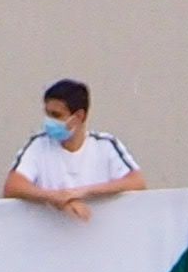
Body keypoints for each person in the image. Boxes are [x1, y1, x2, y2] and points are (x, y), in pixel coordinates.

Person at [9, 78, 142, 217]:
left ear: (79, 116)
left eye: (56, 115)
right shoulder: (37, 144)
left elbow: (136, 181)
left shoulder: (105, 145)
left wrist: (83, 192)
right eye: (47, 114)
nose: (49, 121)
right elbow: (13, 185)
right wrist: (54, 197)